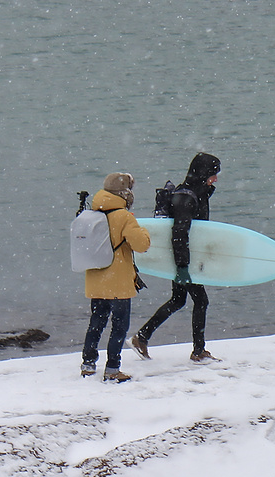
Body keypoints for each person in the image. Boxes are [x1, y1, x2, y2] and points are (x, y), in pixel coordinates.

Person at [132, 152, 220, 363]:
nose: (216, 179)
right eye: (214, 174)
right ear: (204, 173)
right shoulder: (185, 198)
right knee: (201, 300)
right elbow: (179, 234)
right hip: (182, 258)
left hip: (183, 257)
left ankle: (142, 337)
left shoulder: (197, 193)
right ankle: (198, 351)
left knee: (178, 300)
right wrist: (182, 267)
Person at [81, 172, 151, 382]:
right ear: (124, 193)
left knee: (96, 323)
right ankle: (112, 369)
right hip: (118, 282)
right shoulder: (123, 217)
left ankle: (88, 364)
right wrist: (145, 231)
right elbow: (141, 245)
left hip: (95, 279)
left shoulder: (91, 214)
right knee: (119, 327)